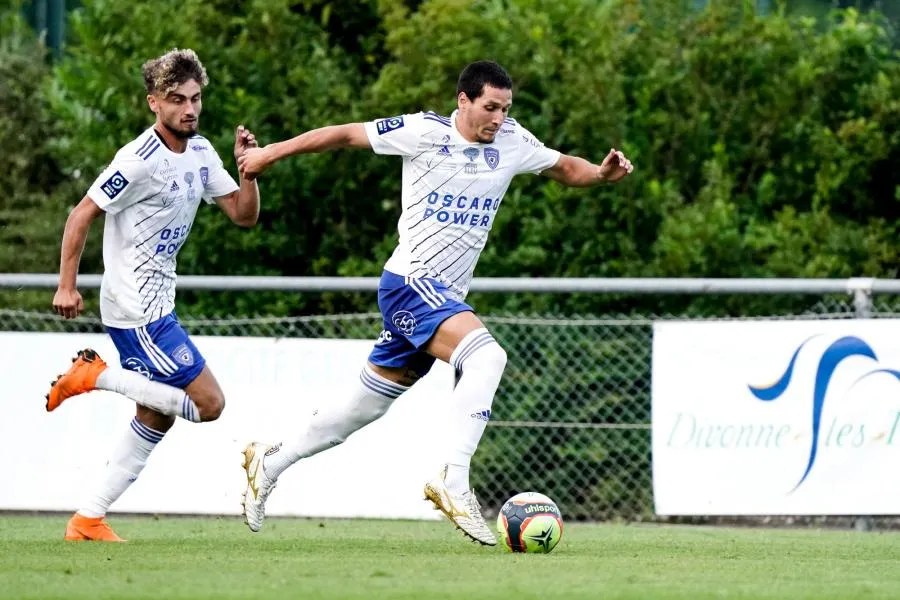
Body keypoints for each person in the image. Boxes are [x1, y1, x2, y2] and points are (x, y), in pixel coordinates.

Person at [236, 60, 632, 545]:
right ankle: (453, 480)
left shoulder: (510, 141)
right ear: (463, 100)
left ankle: (269, 460)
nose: (499, 119)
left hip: (442, 298)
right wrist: (268, 155)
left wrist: (600, 173)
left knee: (357, 412)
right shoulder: (422, 132)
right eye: (490, 107)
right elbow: (342, 135)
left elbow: (563, 167)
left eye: (506, 109)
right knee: (488, 355)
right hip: (411, 283)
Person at [46, 48, 261, 542]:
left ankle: (87, 520)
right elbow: (81, 214)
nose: (189, 108)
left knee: (156, 414)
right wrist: (66, 284)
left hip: (160, 304)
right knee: (209, 404)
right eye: (177, 99)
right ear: (153, 104)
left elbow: (243, 215)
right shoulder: (137, 159)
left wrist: (248, 171)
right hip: (134, 308)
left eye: (195, 98)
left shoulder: (203, 153)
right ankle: (95, 376)